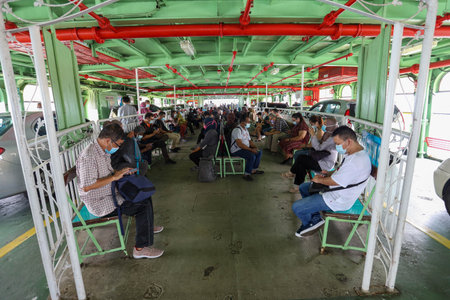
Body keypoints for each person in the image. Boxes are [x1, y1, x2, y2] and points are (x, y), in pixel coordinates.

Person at [76, 123, 164, 259]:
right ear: (108, 140)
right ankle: (140, 249)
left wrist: (120, 172)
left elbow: (107, 173)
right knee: (142, 205)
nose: (117, 149)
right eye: (117, 145)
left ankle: (148, 228)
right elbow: (86, 186)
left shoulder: (102, 150)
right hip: (100, 202)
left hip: (110, 191)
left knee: (144, 193)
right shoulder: (89, 156)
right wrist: (114, 177)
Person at [291, 126, 371, 237]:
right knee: (304, 187)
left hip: (338, 199)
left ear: (348, 141)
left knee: (297, 207)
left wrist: (320, 179)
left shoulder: (355, 162)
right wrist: (328, 174)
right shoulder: (355, 154)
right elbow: (341, 173)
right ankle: (315, 217)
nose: (336, 147)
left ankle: (310, 223)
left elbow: (335, 182)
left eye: (338, 144)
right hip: (337, 191)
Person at [283, 117, 339, 193]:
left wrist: (313, 135)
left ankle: (292, 173)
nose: (324, 125)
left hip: (325, 164)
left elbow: (318, 148)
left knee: (301, 158)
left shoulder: (332, 138)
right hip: (319, 159)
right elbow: (319, 145)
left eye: (326, 124)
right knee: (301, 163)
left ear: (331, 125)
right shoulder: (328, 133)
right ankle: (297, 185)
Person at [230, 116, 264, 181]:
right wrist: (251, 150)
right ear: (243, 122)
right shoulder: (237, 130)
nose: (249, 123)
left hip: (244, 148)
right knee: (251, 156)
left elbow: (250, 141)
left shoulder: (245, 130)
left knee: (259, 152)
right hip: (237, 150)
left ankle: (253, 170)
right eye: (248, 122)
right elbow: (239, 144)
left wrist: (255, 147)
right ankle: (247, 174)